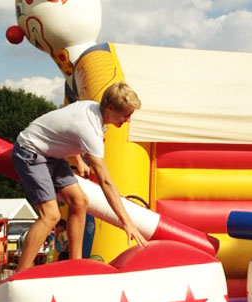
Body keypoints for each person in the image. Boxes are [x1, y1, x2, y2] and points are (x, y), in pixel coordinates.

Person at [12, 81, 149, 272]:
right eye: (125, 115)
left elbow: (66, 129)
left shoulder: (93, 108)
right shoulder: (90, 129)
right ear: (110, 108)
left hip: (52, 153)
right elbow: (106, 182)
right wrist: (127, 222)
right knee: (51, 215)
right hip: (31, 151)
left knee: (80, 201)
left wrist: (78, 161)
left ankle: (74, 265)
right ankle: (21, 273)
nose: (128, 120)